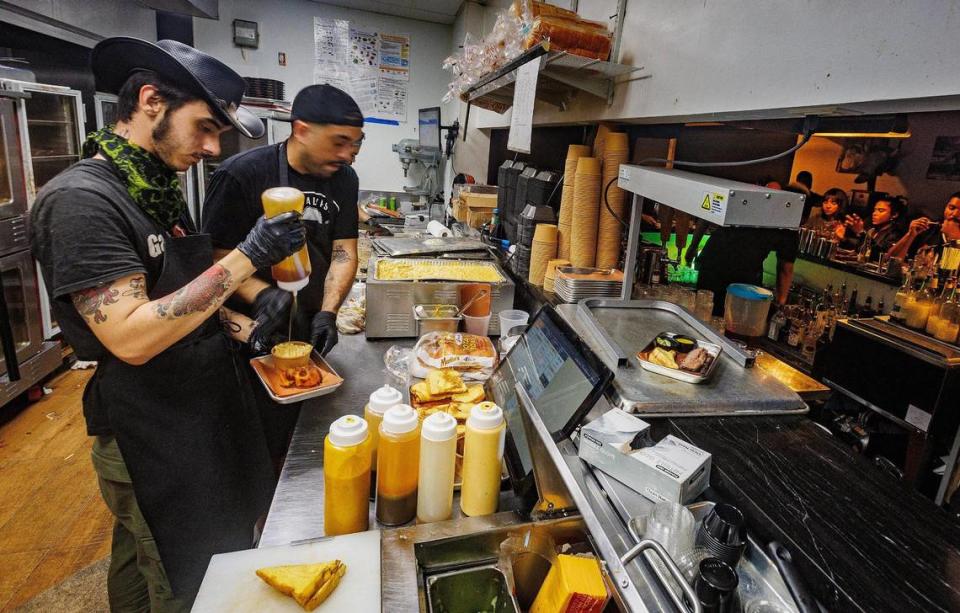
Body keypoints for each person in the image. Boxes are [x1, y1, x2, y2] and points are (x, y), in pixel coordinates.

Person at [29, 38, 307, 610]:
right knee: (190, 578)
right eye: (204, 128)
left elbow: (177, 296)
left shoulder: (156, 191)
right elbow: (130, 335)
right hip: (149, 427)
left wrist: (245, 324)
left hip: (194, 406)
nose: (211, 148)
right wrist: (247, 257)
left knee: (141, 554)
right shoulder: (82, 202)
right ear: (151, 99)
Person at [201, 84, 362, 467]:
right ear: (302, 129)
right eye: (339, 142)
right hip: (249, 329)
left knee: (306, 436)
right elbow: (214, 256)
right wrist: (258, 293)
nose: (347, 154)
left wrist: (328, 311)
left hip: (307, 325)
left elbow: (343, 250)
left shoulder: (344, 179)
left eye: (355, 144)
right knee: (254, 441)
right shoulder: (240, 175)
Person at [887, 192, 960, 260]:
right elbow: (890, 260)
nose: (955, 214)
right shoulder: (930, 229)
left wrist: (956, 240)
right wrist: (910, 235)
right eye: (951, 208)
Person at [839, 196, 907, 260]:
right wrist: (844, 239)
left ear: (894, 214)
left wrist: (861, 233)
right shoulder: (872, 229)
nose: (874, 213)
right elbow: (860, 248)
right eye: (875, 210)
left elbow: (878, 255)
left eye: (880, 210)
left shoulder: (895, 234)